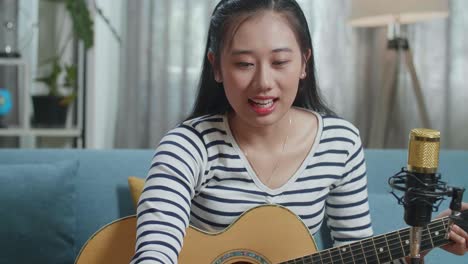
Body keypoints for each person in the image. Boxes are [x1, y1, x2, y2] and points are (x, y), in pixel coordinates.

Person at [131, 1, 468, 263]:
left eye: (280, 63)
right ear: (216, 66)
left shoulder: (339, 143)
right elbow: (155, 252)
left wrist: (420, 244)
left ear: (305, 62)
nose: (263, 83)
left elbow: (353, 251)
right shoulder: (187, 146)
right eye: (244, 64)